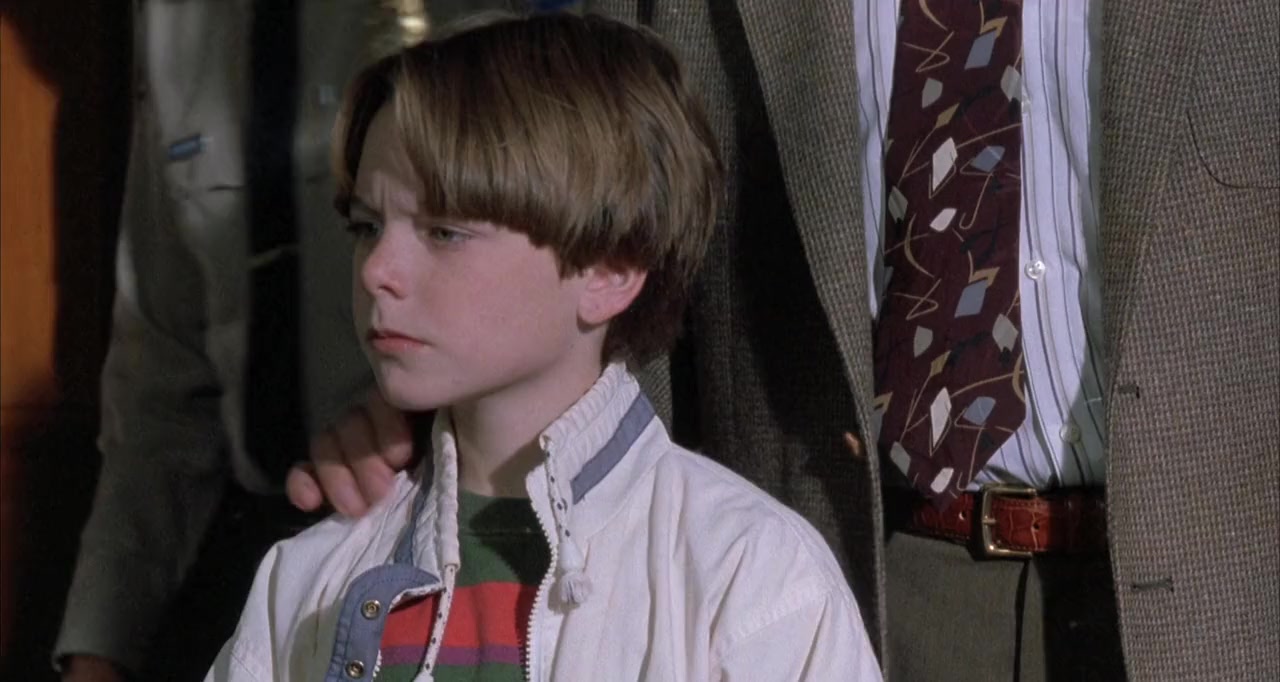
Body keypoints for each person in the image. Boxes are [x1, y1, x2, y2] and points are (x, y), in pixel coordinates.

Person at [312, 0, 1280, 679]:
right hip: (840, 578)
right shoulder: (758, 586)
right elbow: (593, 210)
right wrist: (451, 414)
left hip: (1231, 594)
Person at [206, 12, 881, 681]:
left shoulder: (750, 579)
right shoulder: (306, 581)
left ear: (610, 269)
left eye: (444, 231)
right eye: (366, 226)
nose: (377, 269)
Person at [53, 2, 517, 680]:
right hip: (243, 549)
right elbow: (161, 382)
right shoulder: (174, 18)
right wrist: (99, 651)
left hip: (437, 541)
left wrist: (436, 411)